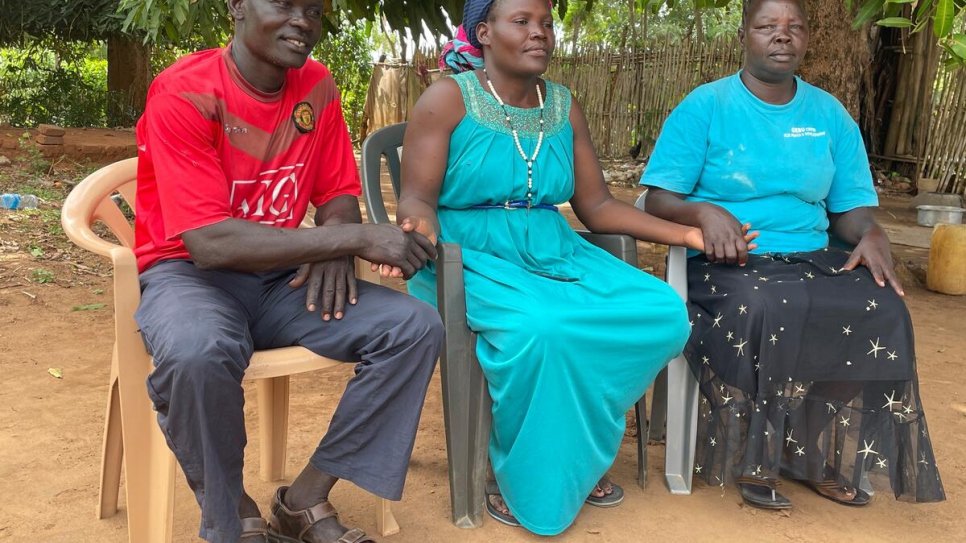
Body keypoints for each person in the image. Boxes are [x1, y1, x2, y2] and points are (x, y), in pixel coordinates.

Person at [394, 0, 744, 535]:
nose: (540, 34)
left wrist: (687, 233)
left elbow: (597, 205)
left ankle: (573, 452)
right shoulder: (447, 99)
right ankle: (524, 479)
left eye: (546, 23)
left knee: (663, 314)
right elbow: (417, 199)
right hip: (470, 256)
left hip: (553, 249)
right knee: (544, 330)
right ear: (483, 33)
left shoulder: (563, 104)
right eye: (522, 22)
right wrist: (415, 237)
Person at [132, 1, 444, 542]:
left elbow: (337, 192)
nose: (302, 20)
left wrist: (331, 245)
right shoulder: (183, 90)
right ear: (236, 6)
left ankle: (304, 500)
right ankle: (233, 514)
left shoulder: (317, 86)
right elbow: (208, 243)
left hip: (281, 278)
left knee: (413, 328)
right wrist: (354, 239)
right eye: (284, 3)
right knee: (196, 352)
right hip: (188, 276)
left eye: (314, 10)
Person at [641, 0, 945, 510]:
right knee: (765, 308)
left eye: (794, 27)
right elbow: (657, 198)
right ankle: (756, 452)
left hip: (811, 256)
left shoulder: (829, 114)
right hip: (727, 263)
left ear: (805, 39)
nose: (782, 36)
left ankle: (800, 441)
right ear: (744, 36)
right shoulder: (706, 106)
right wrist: (705, 213)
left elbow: (849, 211)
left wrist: (871, 233)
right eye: (767, 26)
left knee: (885, 310)